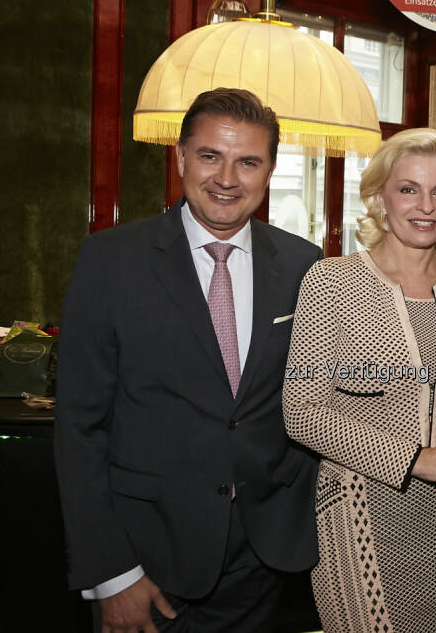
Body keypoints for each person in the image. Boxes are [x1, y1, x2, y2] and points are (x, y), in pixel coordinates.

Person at [54, 88, 322, 632]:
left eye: (248, 162)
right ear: (180, 158)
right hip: (145, 561)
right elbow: (79, 428)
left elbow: (311, 396)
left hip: (263, 562)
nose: (227, 178)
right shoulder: (110, 260)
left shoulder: (302, 263)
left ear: (269, 171)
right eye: (209, 156)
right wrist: (112, 574)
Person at [282, 127, 436, 633]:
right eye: (408, 189)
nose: (425, 205)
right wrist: (419, 460)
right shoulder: (332, 282)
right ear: (380, 198)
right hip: (360, 514)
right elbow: (302, 411)